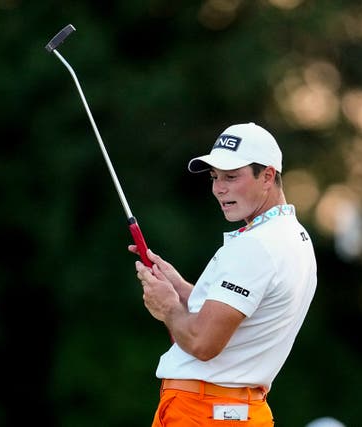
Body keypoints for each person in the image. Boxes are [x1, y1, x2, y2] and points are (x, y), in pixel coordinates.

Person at [129, 122, 317, 426]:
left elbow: (203, 342)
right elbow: (237, 316)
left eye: (232, 176)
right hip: (238, 412)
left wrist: (168, 308)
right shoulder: (295, 236)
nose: (218, 188)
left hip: (204, 412)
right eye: (215, 177)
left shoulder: (258, 245)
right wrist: (179, 289)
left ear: (267, 176)